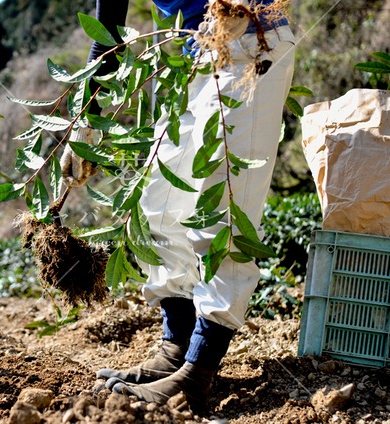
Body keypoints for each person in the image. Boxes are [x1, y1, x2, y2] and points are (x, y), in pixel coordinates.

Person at [61, 0, 295, 410]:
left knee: (221, 211)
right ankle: (176, 348)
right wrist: (86, 118)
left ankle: (198, 371)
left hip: (253, 46)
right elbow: (109, 26)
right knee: (160, 204)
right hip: (197, 56)